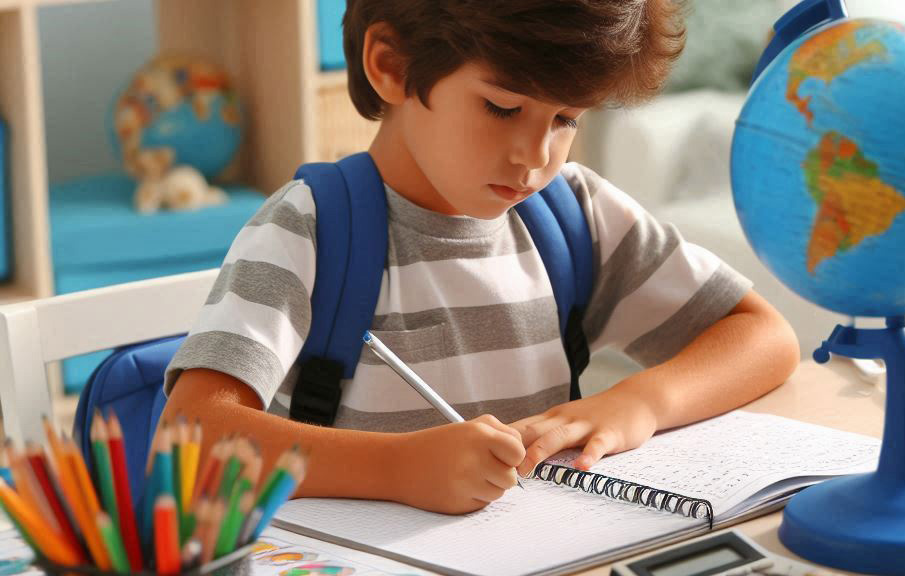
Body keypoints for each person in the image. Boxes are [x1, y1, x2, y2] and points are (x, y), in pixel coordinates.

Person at [161, 0, 800, 515]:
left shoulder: (573, 214)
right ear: (390, 65)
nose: (536, 156)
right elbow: (187, 439)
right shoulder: (309, 229)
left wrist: (641, 403)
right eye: (503, 107)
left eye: (566, 120)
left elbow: (762, 337)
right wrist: (399, 468)